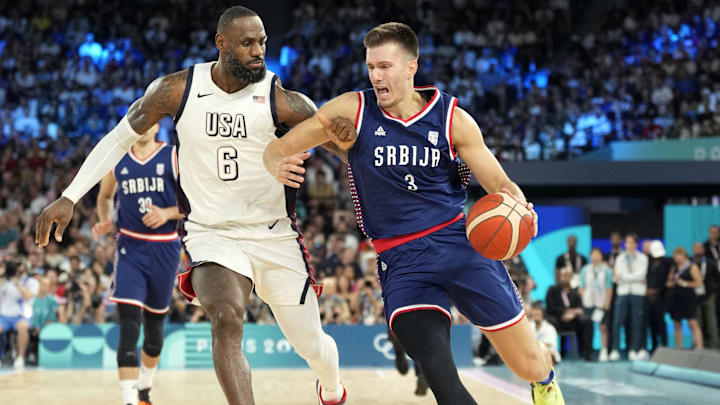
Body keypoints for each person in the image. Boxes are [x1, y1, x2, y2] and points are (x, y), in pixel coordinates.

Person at [35, 6, 353, 405]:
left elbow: (351, 155)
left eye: (263, 43)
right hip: (211, 233)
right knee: (225, 317)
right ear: (221, 44)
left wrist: (350, 139)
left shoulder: (283, 100)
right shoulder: (176, 90)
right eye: (248, 43)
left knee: (313, 347)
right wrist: (69, 195)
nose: (259, 51)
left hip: (273, 235)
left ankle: (332, 387)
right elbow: (118, 139)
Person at [264, 22, 564, 405]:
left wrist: (521, 208)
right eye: (371, 66)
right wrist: (275, 160)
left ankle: (545, 383)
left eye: (385, 66)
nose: (376, 75)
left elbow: (501, 184)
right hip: (402, 261)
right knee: (442, 377)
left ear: (411, 68)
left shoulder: (452, 118)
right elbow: (282, 145)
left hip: (460, 245)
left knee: (528, 364)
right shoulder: (353, 110)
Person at [92, 123, 184, 405]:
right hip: (129, 246)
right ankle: (129, 399)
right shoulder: (118, 158)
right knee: (129, 324)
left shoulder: (173, 156)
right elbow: (105, 196)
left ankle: (145, 388)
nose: (143, 126)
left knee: (154, 333)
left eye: (149, 121)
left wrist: (167, 212)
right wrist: (106, 219)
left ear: (156, 126)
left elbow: (196, 200)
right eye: (139, 121)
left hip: (165, 248)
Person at [610, 233, 648, 361]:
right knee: (617, 322)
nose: (629, 245)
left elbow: (641, 274)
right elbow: (616, 277)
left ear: (636, 244)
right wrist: (630, 278)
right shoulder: (620, 258)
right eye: (627, 242)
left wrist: (624, 277)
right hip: (623, 292)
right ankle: (615, 349)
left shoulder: (643, 258)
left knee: (636, 322)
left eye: (632, 242)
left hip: (637, 293)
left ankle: (634, 349)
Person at [546, 268, 594, 361]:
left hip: (573, 320)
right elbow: (550, 308)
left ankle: (587, 353)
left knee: (587, 321)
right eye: (564, 276)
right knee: (550, 322)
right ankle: (553, 354)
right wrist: (564, 313)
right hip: (558, 319)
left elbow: (580, 309)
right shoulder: (552, 290)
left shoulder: (575, 292)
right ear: (560, 277)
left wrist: (572, 314)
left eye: (569, 276)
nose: (566, 278)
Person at [0, 260, 39, 368]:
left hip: (21, 315)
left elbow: (28, 296)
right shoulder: (5, 281)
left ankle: (20, 357)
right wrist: (2, 277)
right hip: (3, 316)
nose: (17, 270)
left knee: (23, 327)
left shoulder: (30, 281)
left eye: (20, 268)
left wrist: (17, 283)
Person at [578, 248, 613, 361]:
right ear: (590, 256)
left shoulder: (606, 270)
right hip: (588, 302)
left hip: (601, 302)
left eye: (598, 255)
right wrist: (583, 299)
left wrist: (607, 302)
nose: (596, 257)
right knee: (588, 327)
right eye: (593, 255)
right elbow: (582, 286)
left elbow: (609, 287)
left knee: (603, 327)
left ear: (601, 256)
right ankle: (589, 350)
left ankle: (604, 350)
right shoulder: (585, 269)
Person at [666, 246, 704, 350]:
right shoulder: (674, 268)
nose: (675, 259)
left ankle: (699, 347)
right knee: (677, 324)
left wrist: (684, 283)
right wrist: (672, 282)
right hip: (676, 298)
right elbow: (668, 283)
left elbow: (699, 283)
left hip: (688, 298)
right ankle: (679, 348)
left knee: (692, 323)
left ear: (683, 255)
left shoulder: (692, 267)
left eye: (677, 257)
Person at [692, 242, 720, 349]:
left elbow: (717, 279)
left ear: (703, 250)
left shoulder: (710, 263)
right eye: (695, 248)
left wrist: (713, 292)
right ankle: (699, 344)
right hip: (695, 297)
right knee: (698, 322)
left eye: (699, 248)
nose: (697, 250)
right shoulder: (690, 263)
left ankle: (715, 345)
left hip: (709, 296)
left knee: (711, 321)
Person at [645, 240, 671, 353]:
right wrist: (648, 290)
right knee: (651, 322)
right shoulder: (648, 262)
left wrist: (657, 290)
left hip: (661, 297)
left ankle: (664, 345)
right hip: (649, 298)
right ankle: (654, 346)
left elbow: (666, 280)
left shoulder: (667, 263)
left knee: (661, 322)